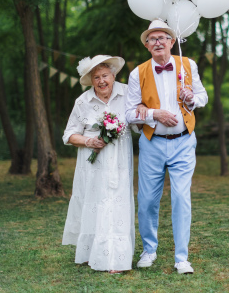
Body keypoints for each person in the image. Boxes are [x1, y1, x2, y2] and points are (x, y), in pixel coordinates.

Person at [126, 19, 208, 274]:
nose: (158, 42)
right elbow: (129, 114)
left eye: (163, 37)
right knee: (148, 199)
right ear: (147, 46)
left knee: (181, 197)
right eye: (152, 39)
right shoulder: (137, 73)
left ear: (172, 42)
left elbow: (203, 97)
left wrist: (192, 98)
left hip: (184, 141)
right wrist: (153, 115)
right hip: (152, 143)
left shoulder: (188, 64)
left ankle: (181, 257)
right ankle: (149, 250)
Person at [62, 55, 145, 274]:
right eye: (96, 77)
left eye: (105, 75)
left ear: (114, 75)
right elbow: (69, 135)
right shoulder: (82, 101)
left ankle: (115, 260)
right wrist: (88, 141)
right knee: (97, 204)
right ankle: (92, 254)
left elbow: (138, 125)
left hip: (120, 164)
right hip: (93, 165)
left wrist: (143, 111)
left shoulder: (128, 93)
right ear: (91, 81)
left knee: (117, 205)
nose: (101, 81)